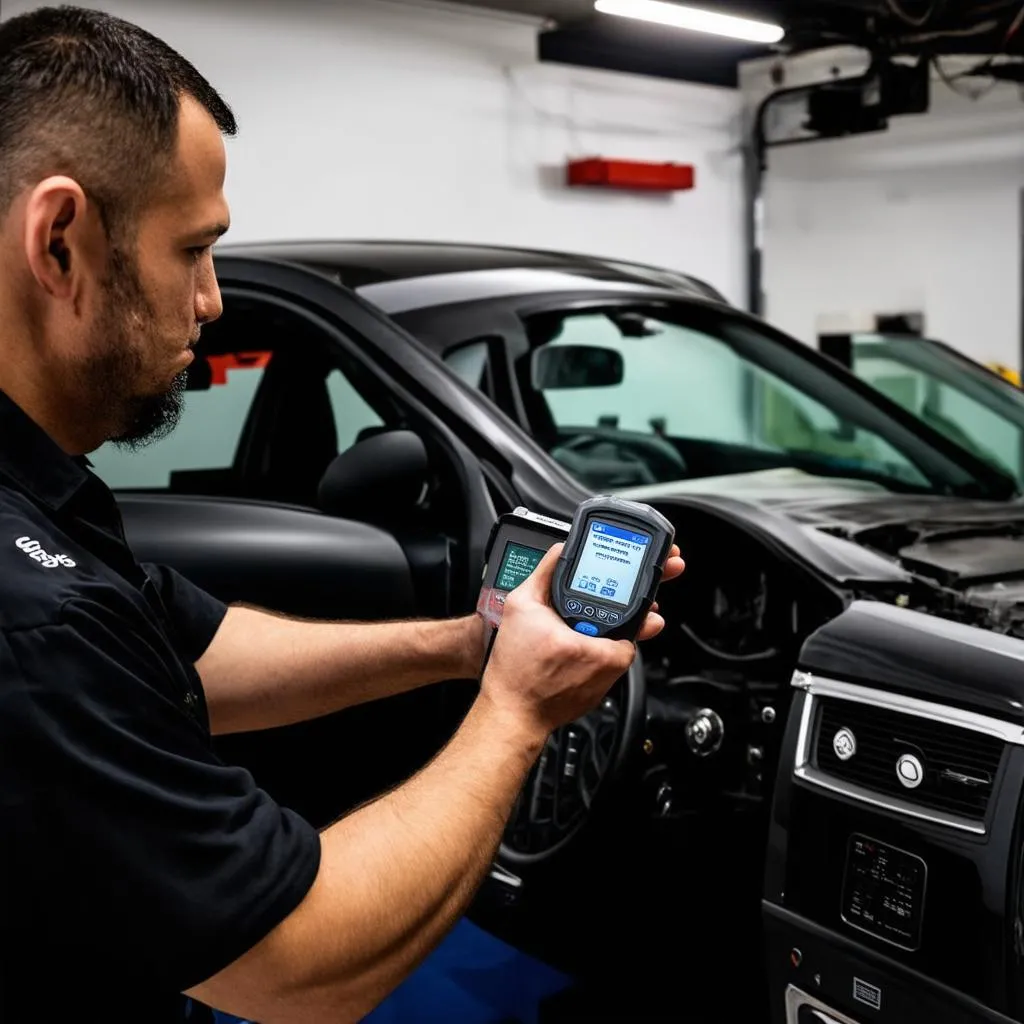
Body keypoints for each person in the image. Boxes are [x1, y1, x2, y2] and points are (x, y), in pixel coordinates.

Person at [0, 7, 685, 1024]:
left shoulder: (41, 499)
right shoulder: (27, 618)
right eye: (193, 249)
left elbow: (192, 657)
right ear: (60, 243)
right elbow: (299, 963)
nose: (213, 298)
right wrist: (517, 715)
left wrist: (471, 645)